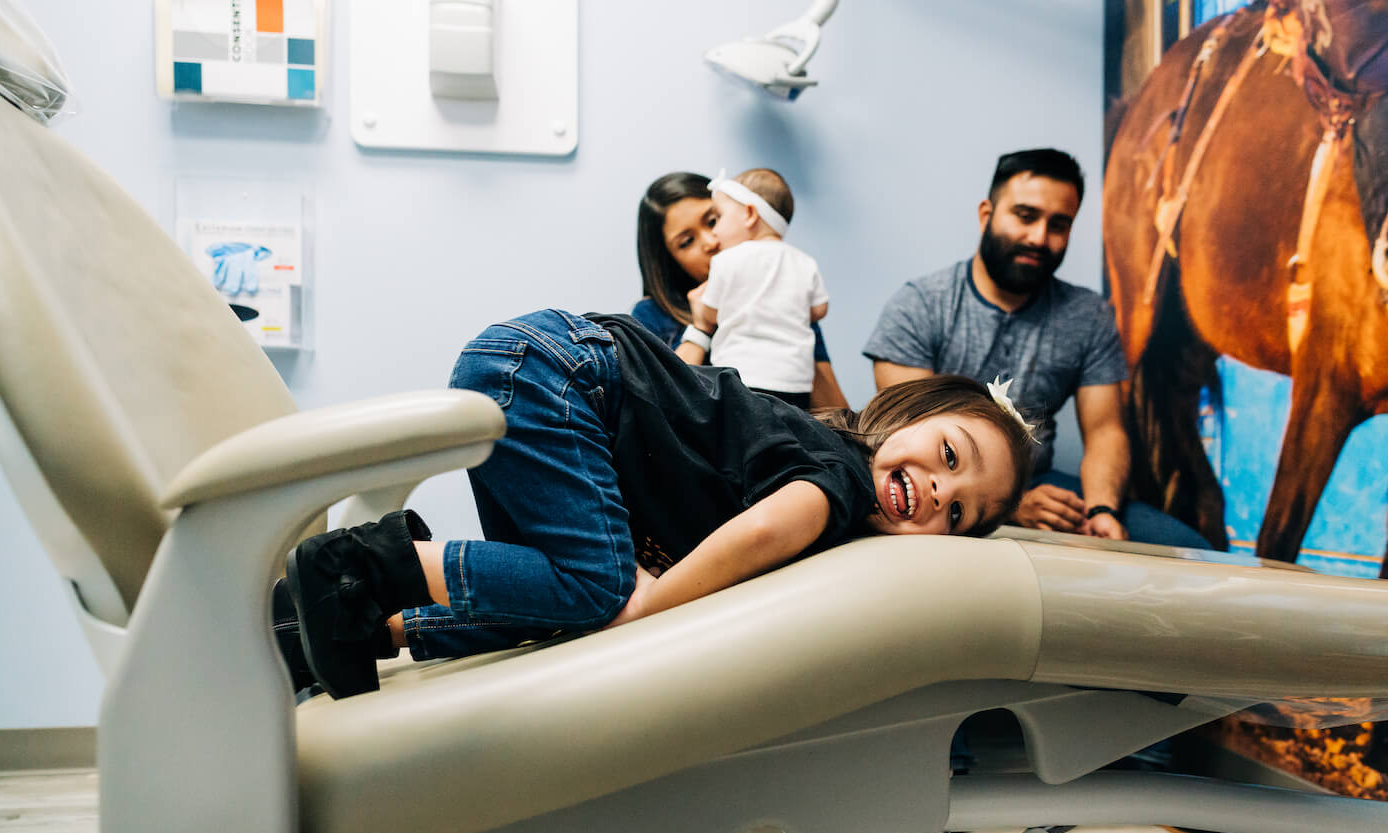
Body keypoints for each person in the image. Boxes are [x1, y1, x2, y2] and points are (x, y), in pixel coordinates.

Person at [276, 308, 1034, 700]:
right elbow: (774, 523)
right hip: (564, 375)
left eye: (961, 513)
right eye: (948, 456)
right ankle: (364, 566)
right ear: (906, 416)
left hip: (535, 367)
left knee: (555, 609)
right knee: (602, 591)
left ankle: (362, 625)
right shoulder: (837, 478)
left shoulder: (828, 481)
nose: (940, 492)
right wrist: (653, 605)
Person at [864, 148, 1208, 549]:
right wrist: (1010, 506)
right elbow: (902, 427)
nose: (1039, 238)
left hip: (1047, 487)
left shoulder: (1088, 317)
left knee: (1189, 549)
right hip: (947, 494)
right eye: (1025, 216)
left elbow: (1104, 432)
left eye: (1059, 225)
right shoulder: (920, 304)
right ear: (986, 215)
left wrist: (1101, 511)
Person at [632, 171, 849, 409]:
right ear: (672, 261)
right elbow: (661, 410)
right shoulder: (652, 316)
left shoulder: (784, 294)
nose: (711, 241)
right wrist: (701, 327)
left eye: (714, 220)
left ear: (748, 214)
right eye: (687, 242)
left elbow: (834, 413)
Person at [691, 168, 829, 409]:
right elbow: (819, 310)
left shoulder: (726, 260)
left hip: (739, 378)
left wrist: (703, 313)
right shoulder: (805, 262)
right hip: (795, 382)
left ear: (750, 214)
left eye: (718, 218)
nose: (714, 232)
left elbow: (712, 314)